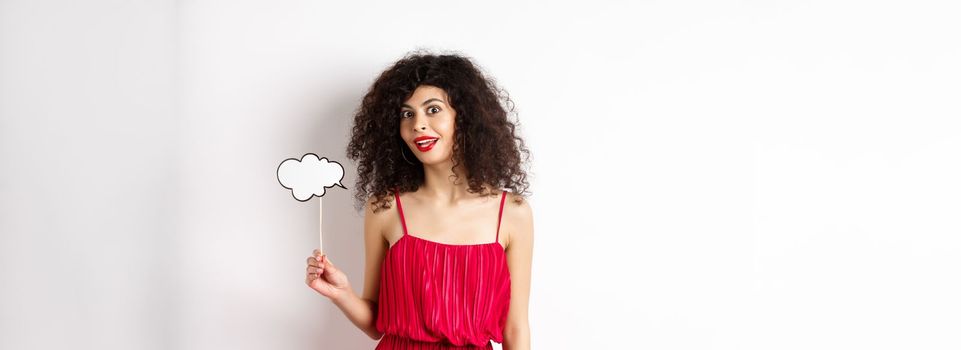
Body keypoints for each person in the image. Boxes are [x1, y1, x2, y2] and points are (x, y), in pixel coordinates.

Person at [305, 50, 534, 349]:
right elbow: (377, 324)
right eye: (407, 114)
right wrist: (341, 293)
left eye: (433, 109)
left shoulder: (512, 213)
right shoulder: (385, 209)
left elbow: (515, 330)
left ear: (464, 118)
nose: (417, 125)